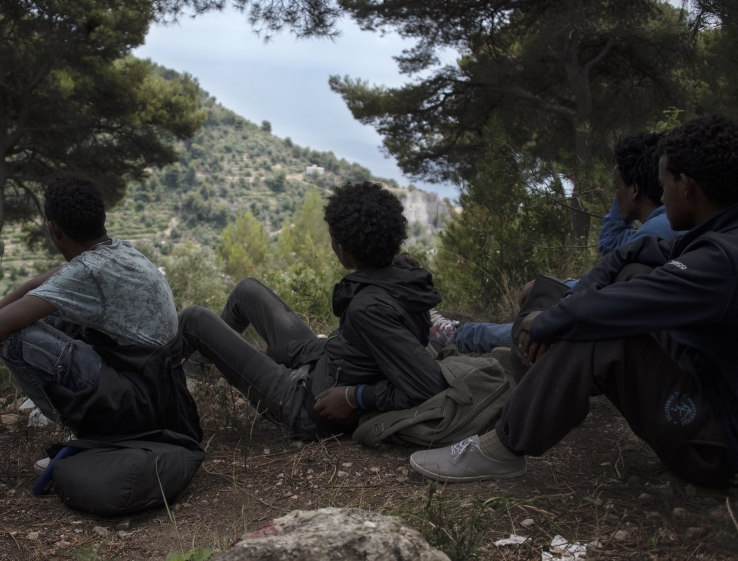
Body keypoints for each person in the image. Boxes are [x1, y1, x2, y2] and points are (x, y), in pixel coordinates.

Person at [410, 115, 738, 487]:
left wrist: (552, 320)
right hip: (709, 388)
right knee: (632, 273)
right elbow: (634, 253)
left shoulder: (721, 261)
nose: (661, 196)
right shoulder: (719, 234)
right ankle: (546, 380)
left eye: (664, 186)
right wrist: (569, 301)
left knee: (606, 333)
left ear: (688, 186)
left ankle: (503, 447)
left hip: (718, 444)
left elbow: (625, 305)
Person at [0, 175, 198, 456]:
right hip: (162, 393)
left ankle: (87, 432)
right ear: (102, 217)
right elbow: (33, 287)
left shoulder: (88, 270)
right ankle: (96, 425)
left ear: (54, 229)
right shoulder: (119, 250)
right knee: (48, 315)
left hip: (136, 404)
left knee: (13, 335)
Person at [178, 181, 447, 438]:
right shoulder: (400, 277)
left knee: (193, 319)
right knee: (246, 291)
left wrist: (354, 397)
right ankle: (198, 374)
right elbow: (346, 349)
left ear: (344, 250)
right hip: (320, 370)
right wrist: (273, 354)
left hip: (306, 406)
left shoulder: (369, 308)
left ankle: (153, 391)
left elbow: (429, 386)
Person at [429, 131, 687, 355]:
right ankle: (462, 334)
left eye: (616, 186)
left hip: (630, 333)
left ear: (634, 190)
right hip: (638, 325)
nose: (614, 194)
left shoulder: (657, 231)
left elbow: (604, 291)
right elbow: (611, 247)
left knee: (537, 326)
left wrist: (559, 288)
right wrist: (630, 187)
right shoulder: (658, 225)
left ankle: (455, 336)